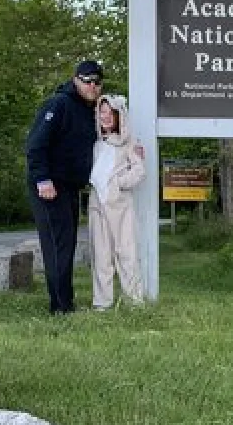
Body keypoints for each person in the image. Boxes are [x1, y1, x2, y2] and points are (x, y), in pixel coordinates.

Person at [26, 60, 104, 314]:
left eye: (97, 82)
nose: (92, 86)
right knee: (58, 246)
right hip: (50, 186)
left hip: (69, 187)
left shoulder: (90, 109)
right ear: (75, 80)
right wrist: (42, 179)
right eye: (87, 80)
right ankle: (60, 307)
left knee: (66, 244)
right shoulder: (58, 104)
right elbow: (36, 145)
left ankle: (65, 301)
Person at [89, 95, 146, 310]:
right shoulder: (97, 145)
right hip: (97, 205)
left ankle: (133, 301)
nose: (105, 116)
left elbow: (139, 171)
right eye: (101, 112)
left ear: (118, 115)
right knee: (101, 255)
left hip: (120, 205)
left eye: (109, 112)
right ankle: (102, 303)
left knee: (127, 253)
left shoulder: (130, 143)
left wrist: (119, 184)